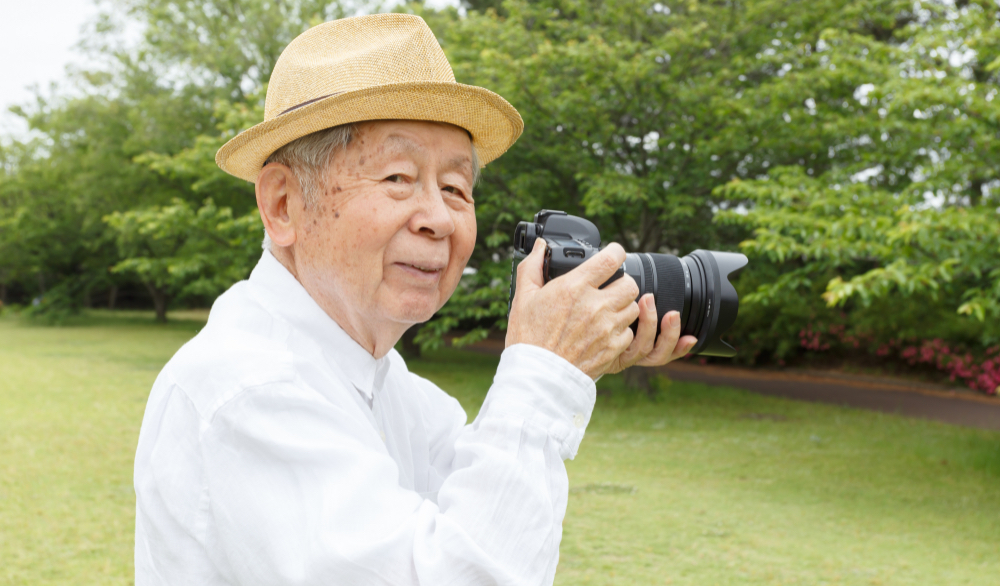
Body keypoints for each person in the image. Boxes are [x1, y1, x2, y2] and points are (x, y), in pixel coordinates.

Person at [133, 13, 697, 586]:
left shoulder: (386, 383)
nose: (437, 219)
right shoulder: (250, 388)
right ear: (282, 205)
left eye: (456, 188)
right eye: (398, 178)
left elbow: (482, 511)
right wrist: (545, 376)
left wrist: (577, 358)